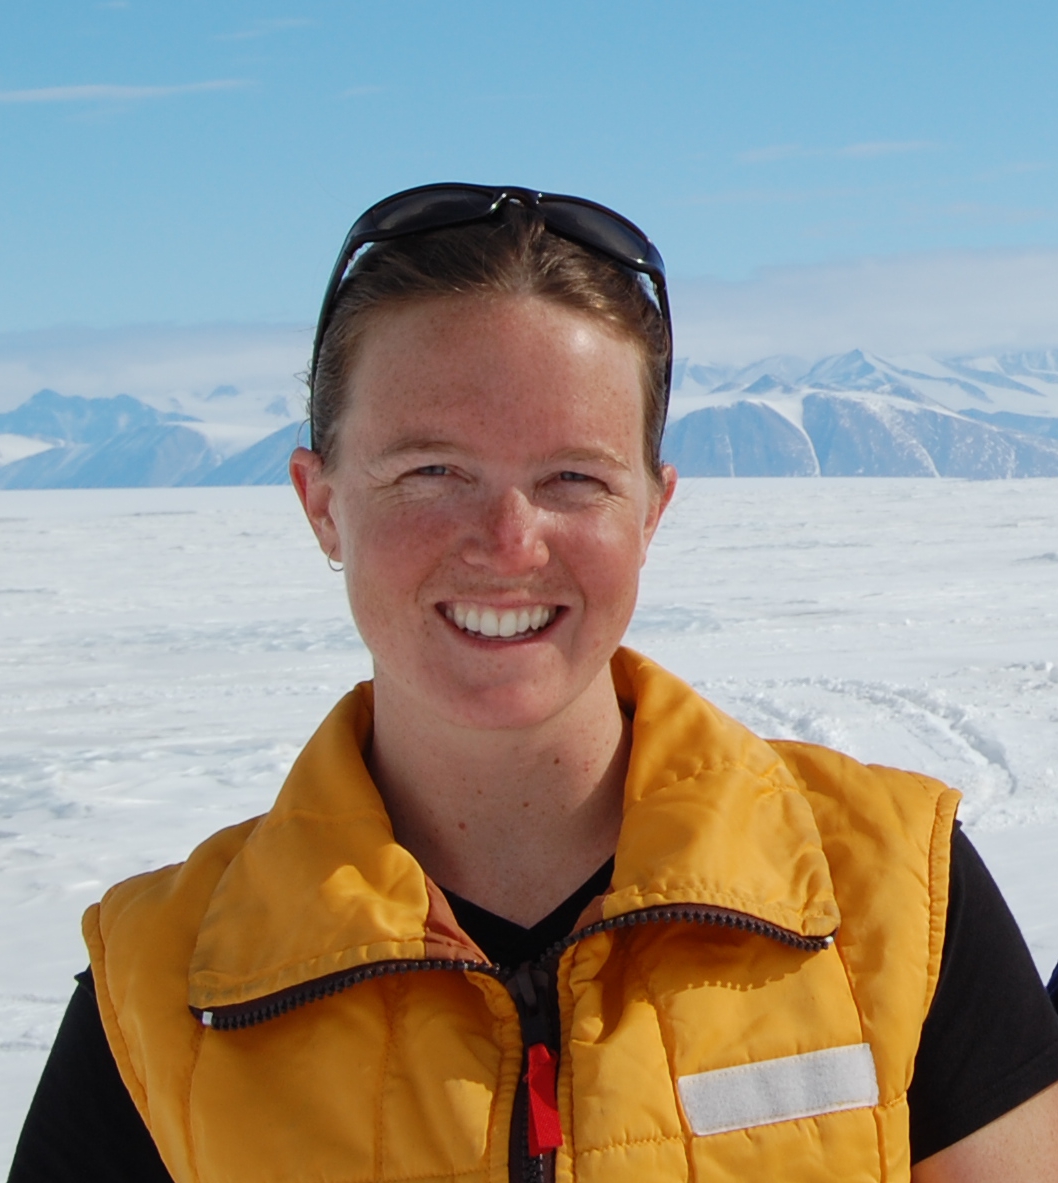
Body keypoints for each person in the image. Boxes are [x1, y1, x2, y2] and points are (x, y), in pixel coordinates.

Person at [10, 184, 1058, 1183]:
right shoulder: (160, 990)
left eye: (573, 478)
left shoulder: (892, 898)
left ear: (650, 509)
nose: (508, 542)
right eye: (431, 471)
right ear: (320, 502)